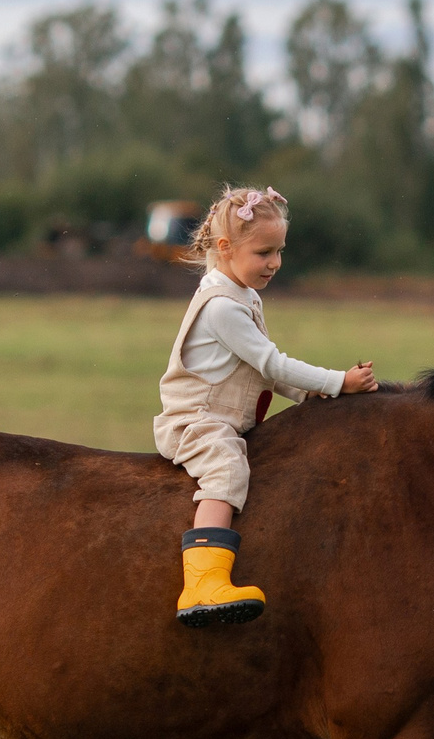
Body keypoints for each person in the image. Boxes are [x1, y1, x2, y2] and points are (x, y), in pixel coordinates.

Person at [155, 185, 376, 625]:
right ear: (225, 248)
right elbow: (272, 362)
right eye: (264, 253)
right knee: (227, 469)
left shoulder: (244, 295)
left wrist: (309, 394)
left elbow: (261, 371)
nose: (275, 263)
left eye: (279, 251)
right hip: (195, 422)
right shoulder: (222, 308)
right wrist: (338, 382)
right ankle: (201, 585)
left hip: (222, 419)